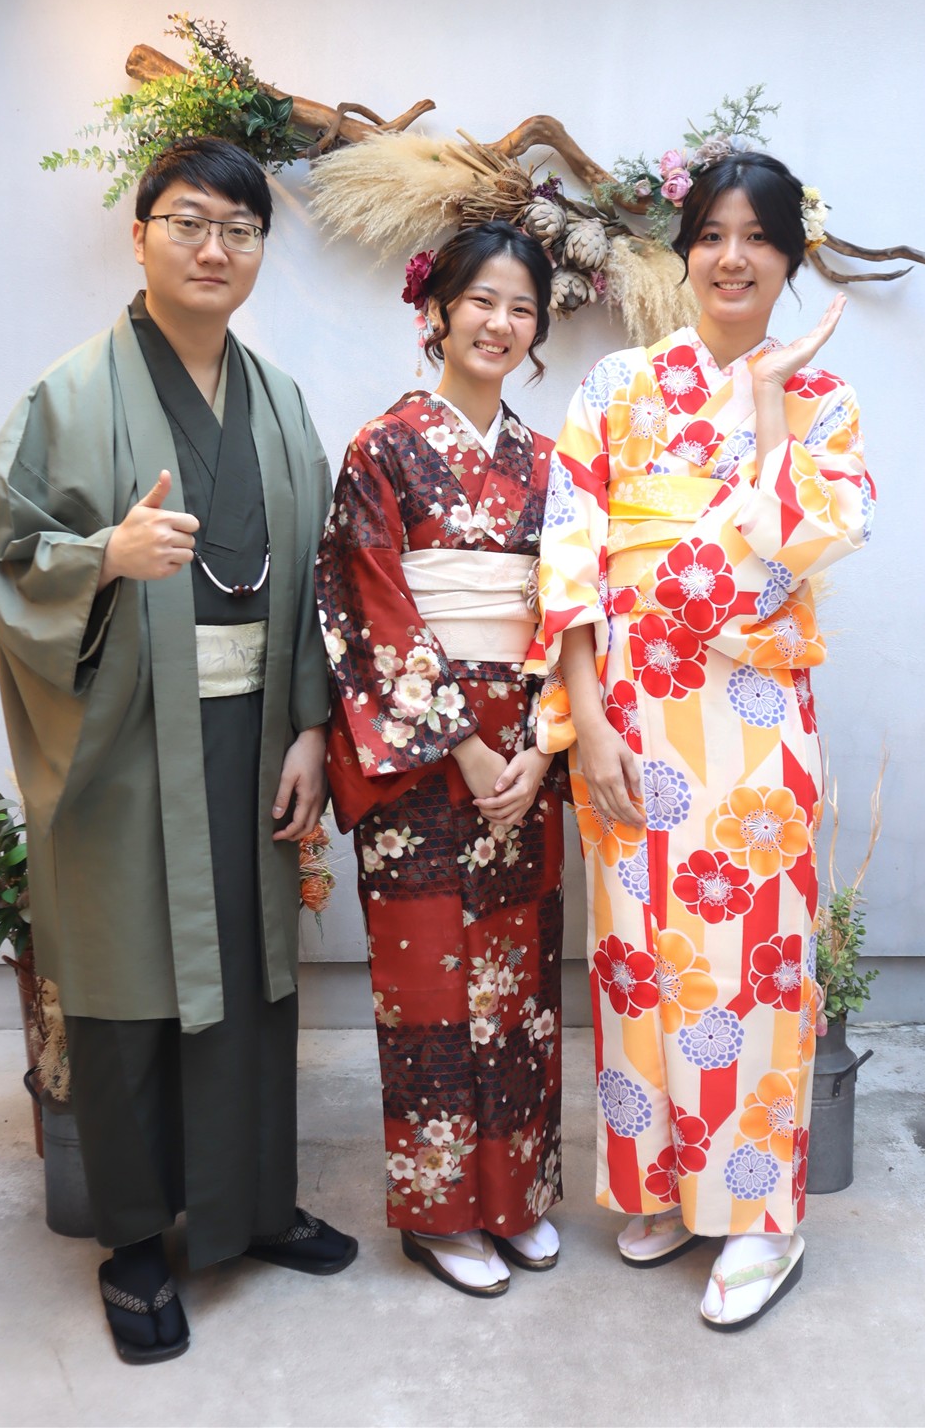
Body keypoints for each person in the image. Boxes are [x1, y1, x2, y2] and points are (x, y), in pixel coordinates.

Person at [0, 136, 357, 1364]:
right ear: (140, 236)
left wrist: (310, 725)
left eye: (239, 229)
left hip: (255, 733)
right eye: (187, 221)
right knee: (131, 984)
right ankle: (135, 1243)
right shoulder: (71, 394)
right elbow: (3, 548)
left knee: (251, 974)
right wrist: (104, 560)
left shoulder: (280, 401)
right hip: (127, 737)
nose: (212, 248)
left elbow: (316, 578)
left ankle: (252, 1206)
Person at [536, 151, 873, 1330]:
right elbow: (570, 550)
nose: (733, 258)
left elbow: (806, 543)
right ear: (683, 253)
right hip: (630, 716)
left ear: (788, 257)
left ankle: (762, 1218)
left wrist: (770, 402)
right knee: (639, 961)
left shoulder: (824, 401)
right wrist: (583, 721)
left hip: (752, 724)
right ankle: (673, 1189)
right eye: (712, 235)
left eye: (758, 237)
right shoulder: (617, 385)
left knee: (753, 967)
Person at [316, 222, 566, 1299]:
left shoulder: (551, 466)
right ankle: (438, 1214)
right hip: (423, 757)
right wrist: (462, 742)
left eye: (521, 307)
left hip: (522, 757)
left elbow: (572, 616)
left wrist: (542, 744)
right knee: (428, 985)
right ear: (438, 312)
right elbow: (363, 601)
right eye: (481, 301)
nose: (499, 323)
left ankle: (514, 1200)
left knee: (518, 984)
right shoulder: (382, 448)